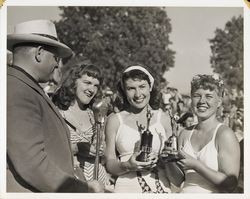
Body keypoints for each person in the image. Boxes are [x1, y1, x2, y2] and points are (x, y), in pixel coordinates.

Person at [7, 19, 103, 192]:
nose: (57, 65)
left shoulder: (24, 87)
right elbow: (32, 164)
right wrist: (83, 189)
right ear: (39, 53)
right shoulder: (17, 90)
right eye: (55, 58)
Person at [105, 65, 173, 193]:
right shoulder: (115, 120)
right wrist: (127, 165)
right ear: (124, 91)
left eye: (142, 87)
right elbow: (110, 164)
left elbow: (173, 163)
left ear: (150, 87)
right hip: (126, 188)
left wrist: (161, 160)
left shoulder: (164, 118)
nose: (138, 94)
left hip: (161, 187)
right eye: (131, 88)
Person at [177, 74, 240, 193]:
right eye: (197, 96)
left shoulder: (224, 135)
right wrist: (167, 162)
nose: (202, 101)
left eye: (209, 96)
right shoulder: (184, 133)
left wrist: (196, 165)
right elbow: (177, 179)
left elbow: (231, 184)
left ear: (219, 102)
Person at [52, 62, 111, 188]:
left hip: (99, 180)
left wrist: (101, 150)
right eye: (87, 83)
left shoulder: (96, 114)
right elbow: (50, 150)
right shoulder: (57, 113)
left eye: (96, 85)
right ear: (74, 82)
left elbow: (107, 155)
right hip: (71, 180)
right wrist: (77, 148)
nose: (92, 89)